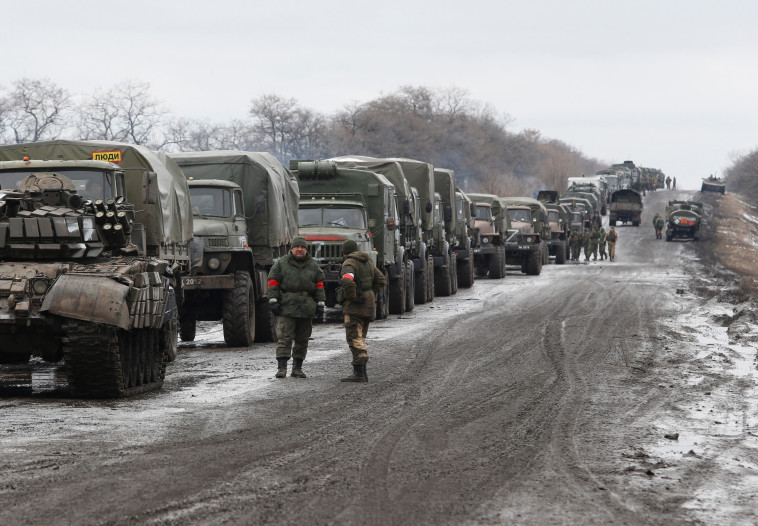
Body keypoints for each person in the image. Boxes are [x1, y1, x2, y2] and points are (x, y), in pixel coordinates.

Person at [268, 236, 325, 379]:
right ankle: (282, 369)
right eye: (297, 247)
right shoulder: (281, 264)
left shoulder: (313, 266)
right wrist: (273, 301)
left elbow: (319, 286)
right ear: (291, 249)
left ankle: (297, 369)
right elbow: (273, 282)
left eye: (302, 247)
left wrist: (320, 304)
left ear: (306, 249)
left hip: (306, 308)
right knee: (284, 338)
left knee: (302, 339)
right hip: (287, 307)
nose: (300, 249)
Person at [338, 239, 386, 383]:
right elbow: (381, 280)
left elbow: (347, 280)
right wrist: (370, 293)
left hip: (355, 306)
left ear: (344, 253)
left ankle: (359, 371)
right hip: (369, 305)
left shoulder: (349, 263)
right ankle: (362, 373)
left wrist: (352, 296)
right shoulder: (368, 262)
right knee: (361, 337)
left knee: (353, 337)